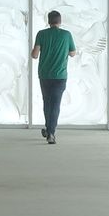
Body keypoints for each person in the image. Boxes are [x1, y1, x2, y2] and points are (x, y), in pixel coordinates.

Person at [30, 10, 75, 144]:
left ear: (48, 22)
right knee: (55, 104)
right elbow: (73, 53)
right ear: (60, 21)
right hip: (60, 76)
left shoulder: (41, 34)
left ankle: (48, 129)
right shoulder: (67, 35)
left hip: (44, 75)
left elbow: (35, 55)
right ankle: (51, 133)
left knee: (47, 102)